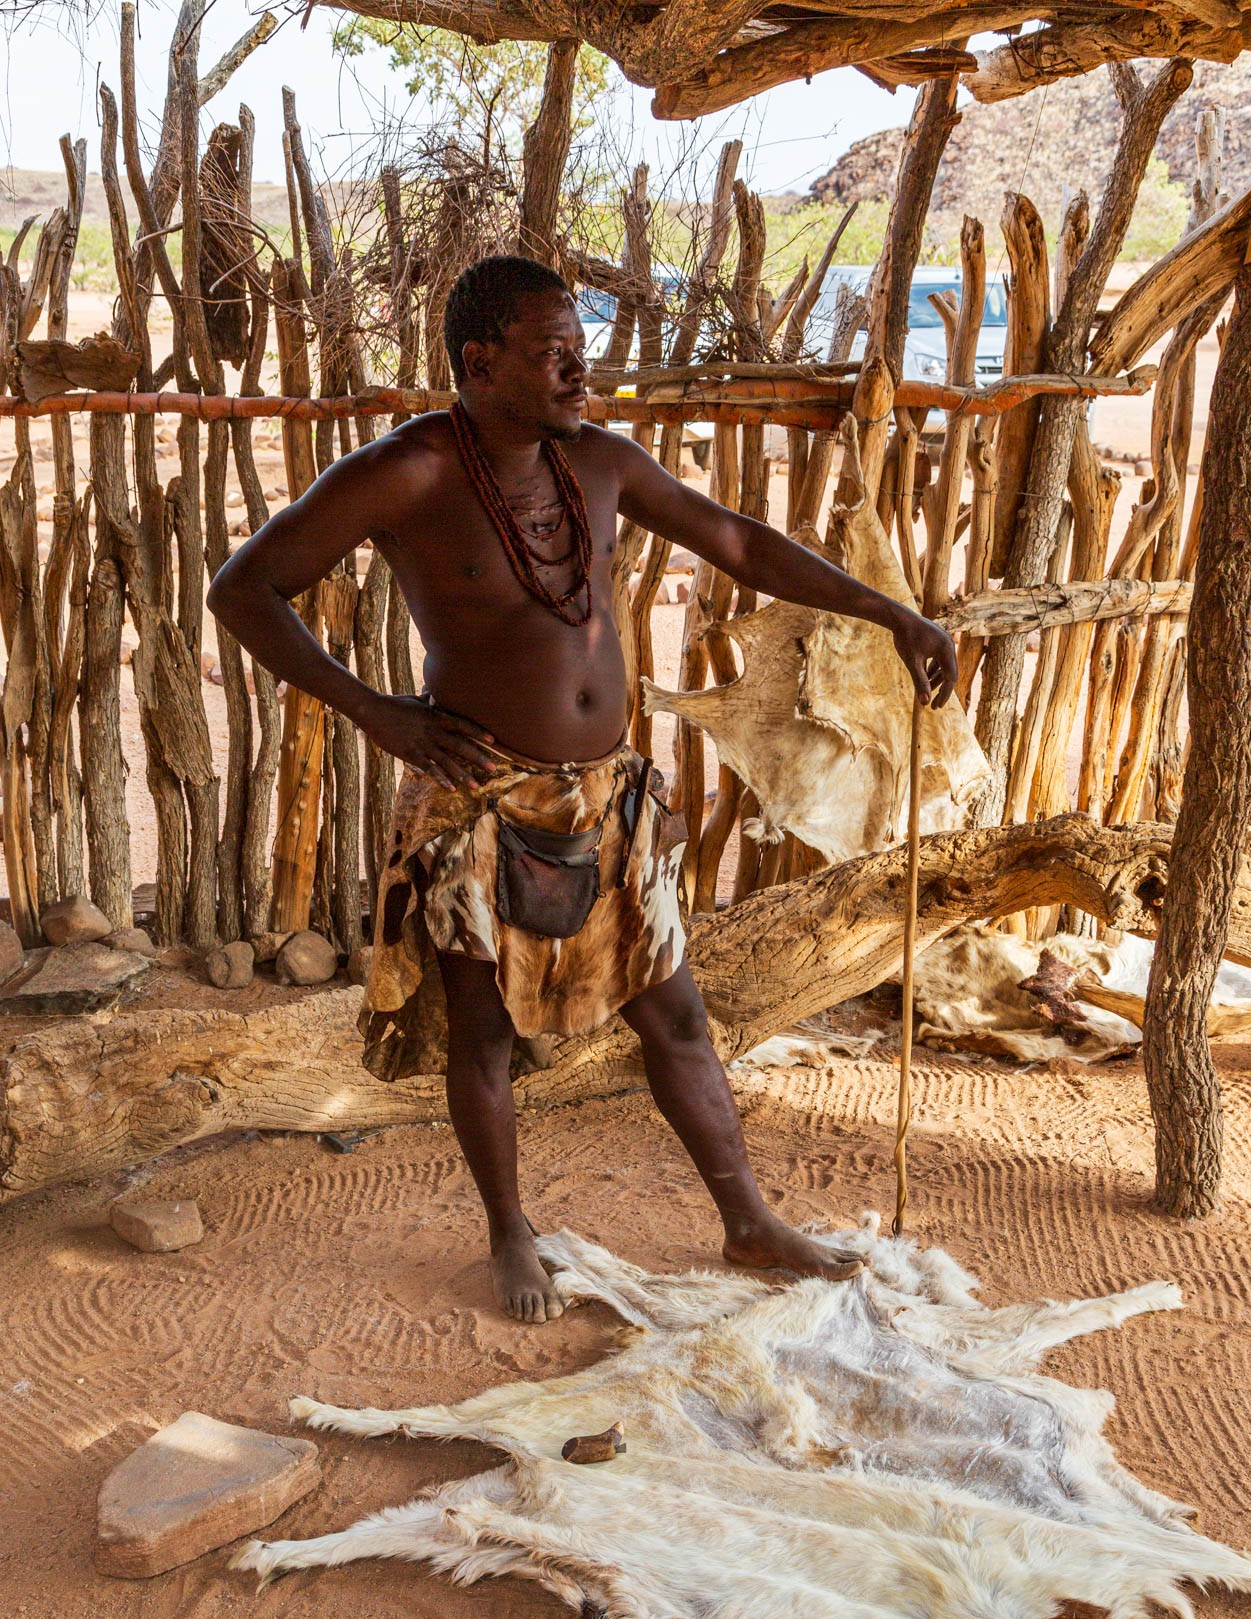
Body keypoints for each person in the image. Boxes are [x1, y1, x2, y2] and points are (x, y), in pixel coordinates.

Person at [208, 254, 957, 1325]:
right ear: (478, 361)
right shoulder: (409, 471)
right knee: (483, 1032)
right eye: (551, 353)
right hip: (486, 801)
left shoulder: (599, 462)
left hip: (606, 799)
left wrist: (892, 613)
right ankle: (510, 1230)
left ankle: (746, 1222)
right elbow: (243, 589)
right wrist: (378, 711)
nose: (578, 372)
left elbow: (739, 542)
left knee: (677, 1018)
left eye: (580, 349)